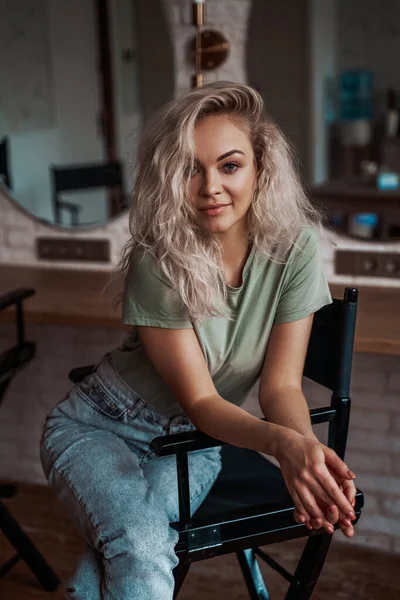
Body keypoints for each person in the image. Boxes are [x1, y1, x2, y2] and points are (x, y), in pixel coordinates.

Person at [40, 81, 357, 600]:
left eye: (229, 165)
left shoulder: (294, 249)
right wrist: (283, 446)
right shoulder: (157, 257)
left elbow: (280, 389)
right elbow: (204, 400)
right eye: (191, 168)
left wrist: (307, 455)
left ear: (260, 168)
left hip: (198, 446)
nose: (210, 186)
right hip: (100, 427)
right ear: (171, 177)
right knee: (140, 544)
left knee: (133, 548)